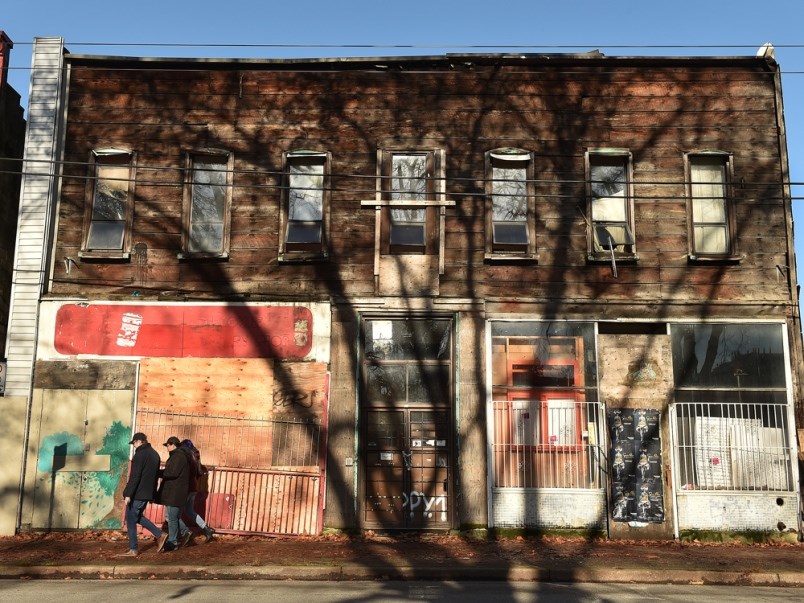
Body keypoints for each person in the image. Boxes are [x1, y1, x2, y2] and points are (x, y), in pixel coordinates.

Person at [118, 432, 164, 557]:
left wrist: (128, 494)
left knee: (131, 519)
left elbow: (135, 476)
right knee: (137, 517)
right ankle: (160, 534)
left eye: (134, 443)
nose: (133, 445)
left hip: (138, 493)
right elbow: (154, 477)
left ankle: (133, 549)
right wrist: (152, 494)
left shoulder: (140, 455)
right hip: (147, 493)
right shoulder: (155, 454)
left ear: (139, 441)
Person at [156, 436, 192, 552]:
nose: (167, 448)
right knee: (171, 516)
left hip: (175, 492)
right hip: (175, 491)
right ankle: (186, 532)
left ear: (173, 445)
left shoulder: (178, 456)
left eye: (167, 445)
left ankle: (173, 541)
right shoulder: (178, 456)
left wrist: (158, 473)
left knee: (171, 517)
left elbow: (172, 472)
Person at [179, 439, 215, 543]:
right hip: (194, 487)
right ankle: (207, 529)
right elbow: (199, 472)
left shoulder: (187, 456)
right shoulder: (196, 455)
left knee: (175, 514)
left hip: (186, 488)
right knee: (190, 511)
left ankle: (184, 532)